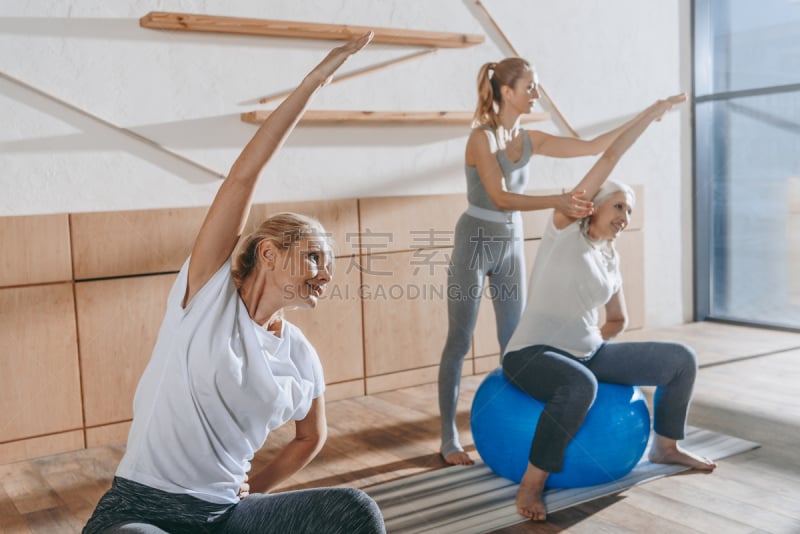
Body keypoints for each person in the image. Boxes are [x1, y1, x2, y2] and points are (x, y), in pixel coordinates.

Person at [82, 33, 386, 534]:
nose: (326, 274)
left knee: (353, 510)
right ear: (268, 252)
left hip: (224, 515)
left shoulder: (301, 355)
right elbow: (242, 179)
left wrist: (257, 489)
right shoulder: (206, 295)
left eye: (330, 265)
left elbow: (311, 437)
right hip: (142, 510)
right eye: (314, 257)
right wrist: (314, 82)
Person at [439, 57, 671, 466]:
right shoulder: (481, 139)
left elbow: (595, 148)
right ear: (507, 92)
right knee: (460, 339)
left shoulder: (530, 139)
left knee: (514, 341)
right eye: (530, 87)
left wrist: (647, 115)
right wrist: (557, 201)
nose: (537, 93)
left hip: (509, 240)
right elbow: (500, 197)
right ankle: (448, 440)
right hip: (474, 239)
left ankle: (524, 427)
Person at [500, 92, 716, 522]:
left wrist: (596, 342)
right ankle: (532, 483)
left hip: (588, 353)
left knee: (680, 360)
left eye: (629, 211)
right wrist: (650, 114)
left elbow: (619, 319)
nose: (624, 216)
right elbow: (611, 155)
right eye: (618, 205)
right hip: (530, 355)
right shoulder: (563, 230)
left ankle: (666, 446)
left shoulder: (610, 257)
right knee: (581, 386)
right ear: (593, 206)